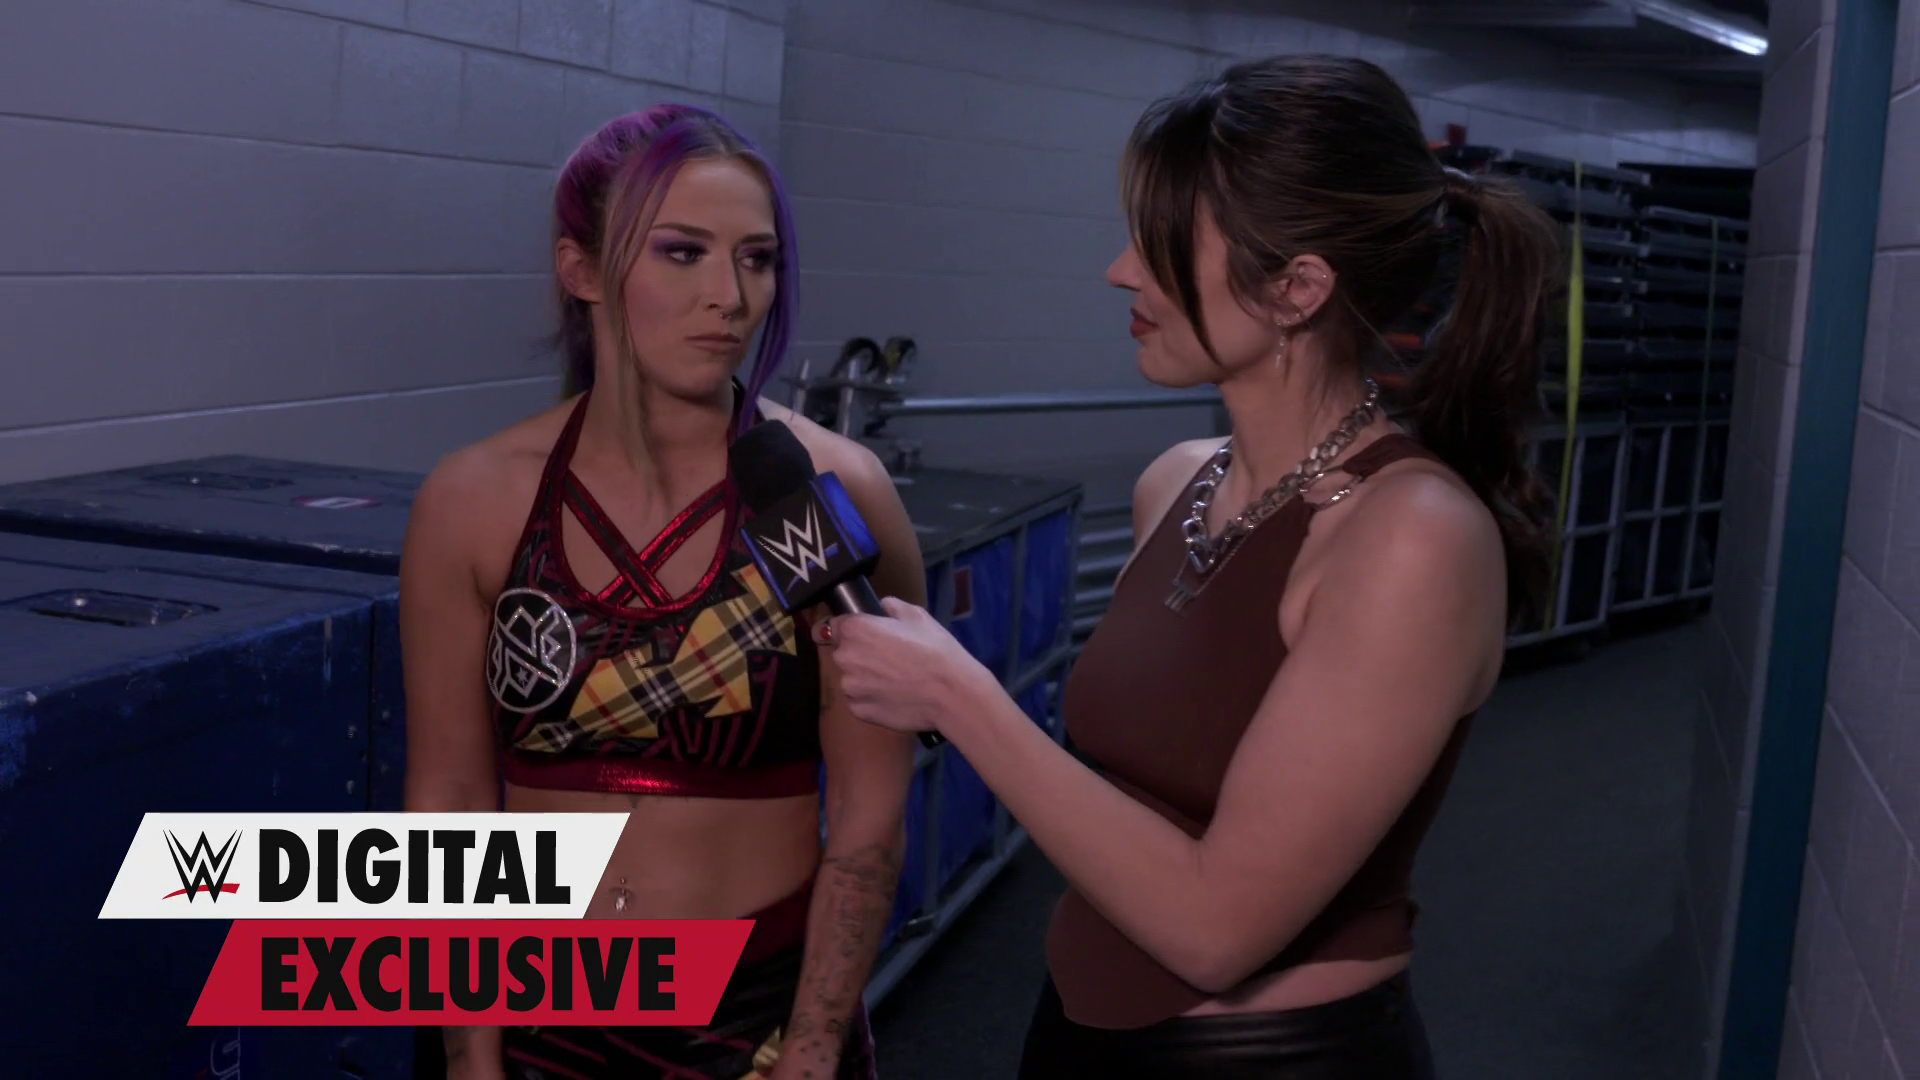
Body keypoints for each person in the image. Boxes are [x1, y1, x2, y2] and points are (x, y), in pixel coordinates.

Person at [815, 55, 1563, 1079]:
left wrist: (960, 697)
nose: (1122, 271)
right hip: (1074, 1030)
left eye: (1161, 242)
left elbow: (1216, 928)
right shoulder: (1176, 481)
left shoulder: (1413, 537)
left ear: (1297, 288)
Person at [400, 104, 923, 1080]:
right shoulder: (473, 501)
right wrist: (471, 1060)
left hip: (754, 1025)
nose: (730, 296)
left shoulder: (825, 493)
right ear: (581, 270)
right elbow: (450, 800)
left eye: (757, 260)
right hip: (532, 1023)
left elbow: (867, 813)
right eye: (683, 253)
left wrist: (811, 1050)